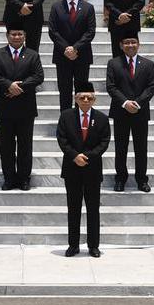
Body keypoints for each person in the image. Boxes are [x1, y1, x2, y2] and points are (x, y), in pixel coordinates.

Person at [0, 24, 44, 190]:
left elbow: (39, 76)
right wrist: (9, 85)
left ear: (24, 36)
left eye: (20, 33)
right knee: (6, 145)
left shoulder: (33, 55)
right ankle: (9, 178)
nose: (17, 37)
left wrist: (20, 88)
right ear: (7, 36)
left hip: (25, 107)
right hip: (4, 106)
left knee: (25, 145)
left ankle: (24, 179)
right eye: (13, 34)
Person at [57, 84, 110, 257]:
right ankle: (73, 245)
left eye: (89, 98)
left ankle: (93, 245)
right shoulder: (66, 116)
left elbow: (104, 142)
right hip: (72, 169)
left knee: (93, 208)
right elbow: (62, 139)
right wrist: (75, 156)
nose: (85, 100)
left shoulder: (101, 118)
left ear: (94, 99)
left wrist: (87, 157)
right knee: (73, 208)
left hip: (92, 169)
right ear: (76, 99)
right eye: (82, 98)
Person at [105, 33, 154, 192]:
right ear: (121, 45)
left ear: (138, 44)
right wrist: (125, 102)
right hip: (121, 112)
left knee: (141, 148)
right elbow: (111, 86)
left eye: (133, 42)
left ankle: (142, 180)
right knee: (121, 147)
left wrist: (138, 103)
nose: (130, 45)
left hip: (140, 112)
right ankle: (120, 178)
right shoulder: (113, 63)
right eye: (126, 42)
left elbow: (151, 87)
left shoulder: (148, 64)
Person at [48, 0, 96, 111]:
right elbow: (53, 31)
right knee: (64, 89)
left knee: (81, 90)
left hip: (82, 55)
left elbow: (90, 32)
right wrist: (66, 49)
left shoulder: (88, 8)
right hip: (62, 55)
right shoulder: (56, 7)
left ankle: (79, 119)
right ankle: (65, 120)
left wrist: (75, 48)